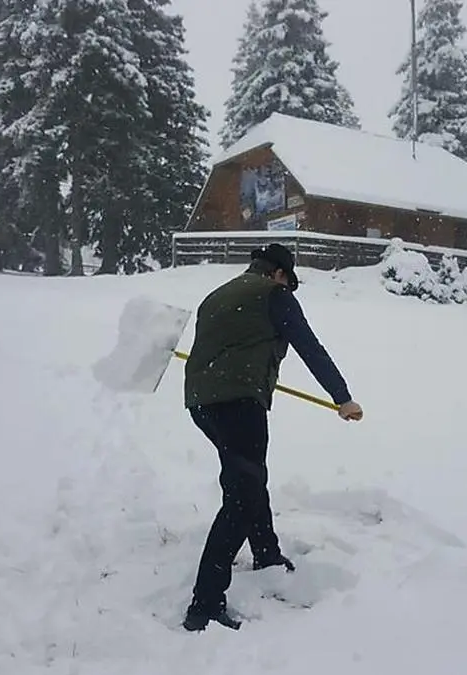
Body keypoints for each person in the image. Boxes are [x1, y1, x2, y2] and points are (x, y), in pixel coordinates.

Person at [180, 242, 363, 632]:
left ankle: (266, 553)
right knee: (241, 497)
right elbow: (309, 346)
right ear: (279, 274)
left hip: (201, 403)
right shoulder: (273, 294)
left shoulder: (217, 296)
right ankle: (204, 604)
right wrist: (342, 397)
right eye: (288, 282)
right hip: (239, 402)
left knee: (247, 479)